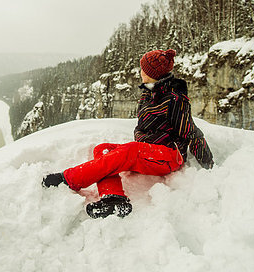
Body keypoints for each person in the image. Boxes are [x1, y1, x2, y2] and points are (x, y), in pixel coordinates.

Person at [42, 49, 214, 219]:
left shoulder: (175, 99)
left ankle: (69, 178)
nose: (140, 72)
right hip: (149, 151)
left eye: (143, 69)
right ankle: (113, 198)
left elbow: (190, 130)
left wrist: (208, 163)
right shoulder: (150, 92)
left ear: (153, 74)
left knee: (130, 151)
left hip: (169, 155)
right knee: (103, 149)